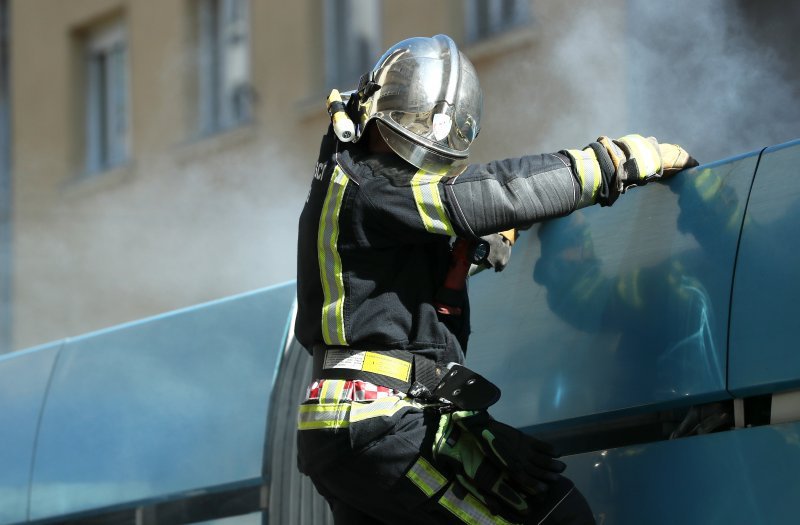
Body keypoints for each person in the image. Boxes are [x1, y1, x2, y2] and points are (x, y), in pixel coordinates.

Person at [294, 34, 697, 524]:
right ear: (371, 117)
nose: (411, 159)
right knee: (557, 516)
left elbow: (394, 287)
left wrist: (476, 248)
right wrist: (614, 164)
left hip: (350, 424)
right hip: (379, 420)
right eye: (408, 134)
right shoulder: (371, 183)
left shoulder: (352, 187)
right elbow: (493, 193)